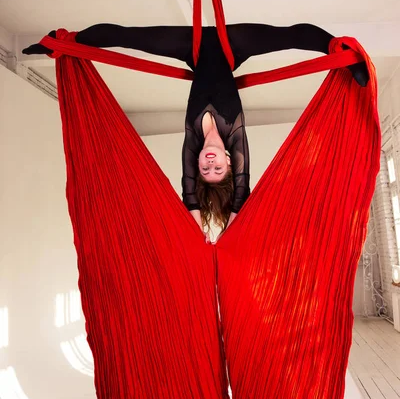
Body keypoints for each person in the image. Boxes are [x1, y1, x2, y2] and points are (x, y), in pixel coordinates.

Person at [23, 22, 340, 237]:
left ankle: (59, 44)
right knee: (291, 37)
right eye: (217, 167)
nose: (210, 162)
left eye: (205, 168)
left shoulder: (192, 144)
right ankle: (338, 48)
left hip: (195, 50)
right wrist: (229, 236)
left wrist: (201, 240)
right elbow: (241, 194)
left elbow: (190, 197)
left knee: (128, 38)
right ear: (230, 162)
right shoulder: (236, 137)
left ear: (197, 166)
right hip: (234, 45)